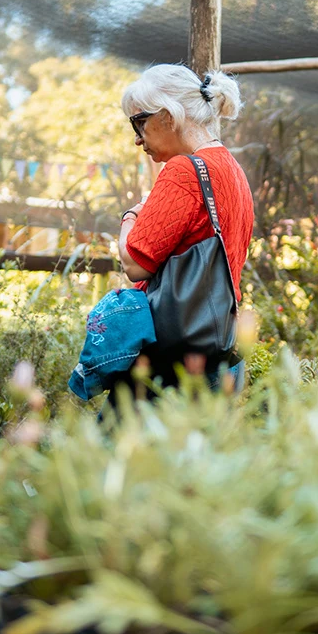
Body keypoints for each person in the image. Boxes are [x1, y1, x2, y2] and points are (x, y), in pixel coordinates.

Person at [117, 63, 254, 391]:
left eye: (139, 123)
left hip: (178, 360)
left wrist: (131, 216)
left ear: (168, 116)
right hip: (222, 349)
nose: (137, 139)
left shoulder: (184, 171)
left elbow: (134, 264)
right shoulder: (232, 168)